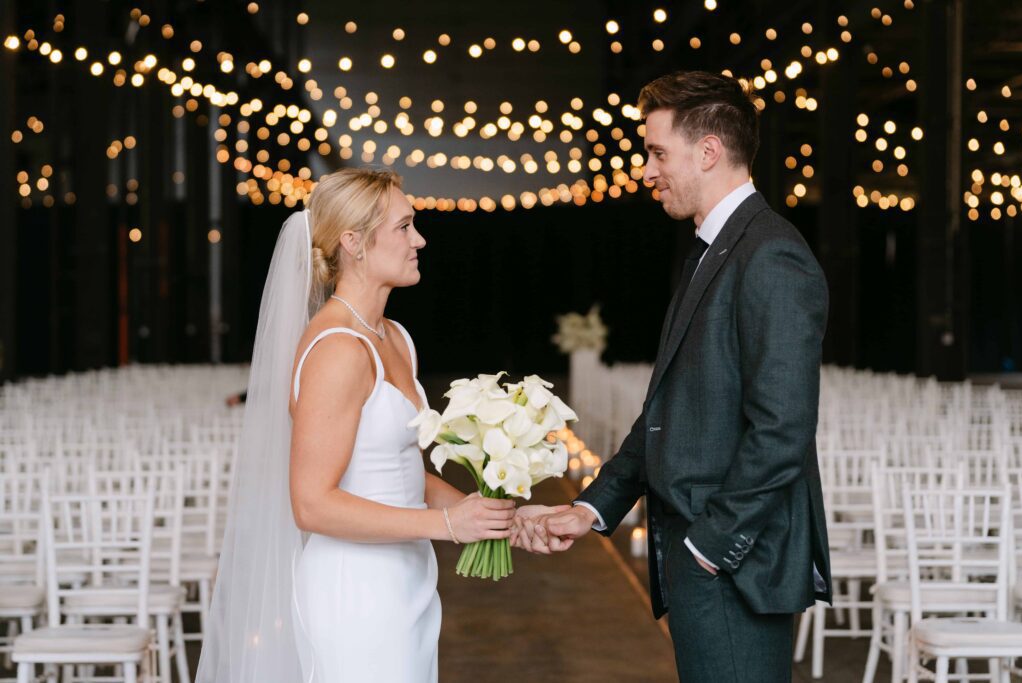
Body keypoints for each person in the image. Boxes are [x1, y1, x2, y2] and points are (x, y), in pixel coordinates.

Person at [522, 71, 834, 682]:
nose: (645, 170)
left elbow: (783, 430)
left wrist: (707, 550)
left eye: (657, 152)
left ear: (709, 150)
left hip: (730, 566)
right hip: (702, 565)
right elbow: (669, 409)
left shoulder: (771, 254)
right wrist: (592, 509)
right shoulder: (711, 249)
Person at [197, 168, 560, 683]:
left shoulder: (395, 337)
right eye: (404, 226)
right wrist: (446, 526)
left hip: (406, 580)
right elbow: (311, 504)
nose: (420, 239)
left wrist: (494, 519)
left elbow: (401, 474)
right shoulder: (338, 349)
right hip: (355, 590)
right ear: (354, 243)